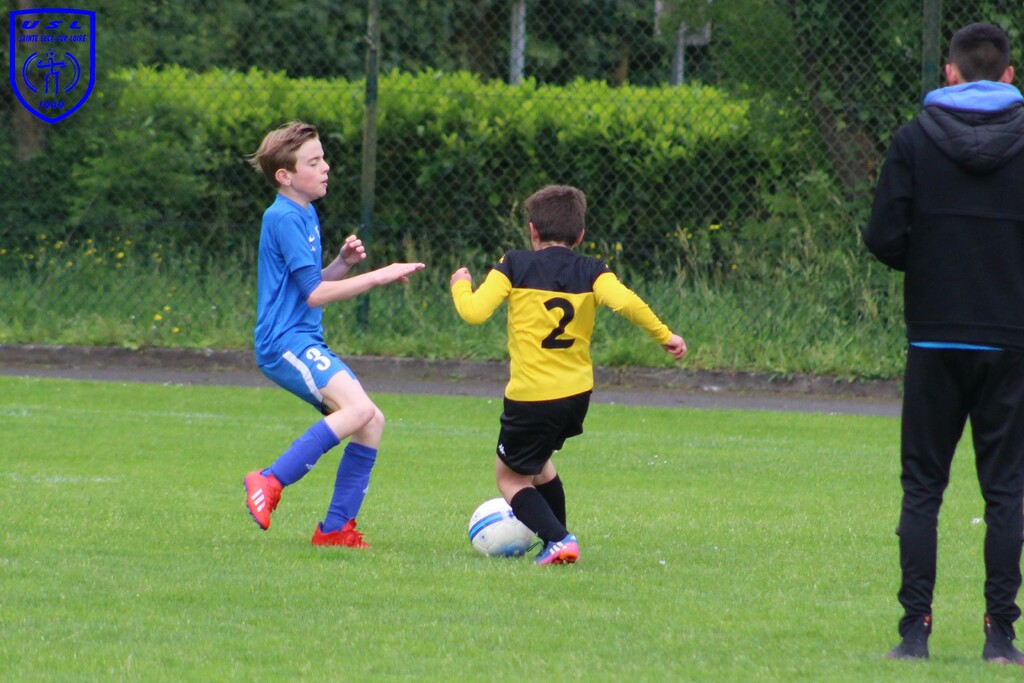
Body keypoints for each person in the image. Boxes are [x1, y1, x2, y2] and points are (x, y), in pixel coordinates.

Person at [863, 23, 1024, 665]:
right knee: (1006, 489)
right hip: (1010, 340)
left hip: (934, 338)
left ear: (950, 73)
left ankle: (914, 633)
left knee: (923, 489)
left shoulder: (914, 139)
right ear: (1009, 75)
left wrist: (930, 264)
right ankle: (1001, 637)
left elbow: (882, 236)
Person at [450, 185, 687, 566]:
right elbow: (626, 301)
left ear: (532, 230)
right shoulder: (592, 270)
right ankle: (555, 541)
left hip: (531, 397)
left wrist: (460, 285)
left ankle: (560, 539)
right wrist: (666, 336)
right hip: (576, 397)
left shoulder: (514, 264)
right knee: (540, 465)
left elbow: (474, 312)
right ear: (580, 235)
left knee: (511, 479)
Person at [243, 121, 425, 548]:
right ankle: (269, 479)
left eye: (323, 157)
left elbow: (309, 284)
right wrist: (378, 275)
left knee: (370, 420)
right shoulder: (283, 216)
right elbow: (314, 295)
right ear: (285, 176)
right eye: (314, 161)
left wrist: (341, 264)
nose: (326, 167)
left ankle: (334, 530)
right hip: (284, 342)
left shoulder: (304, 212)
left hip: (302, 338)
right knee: (360, 410)